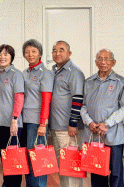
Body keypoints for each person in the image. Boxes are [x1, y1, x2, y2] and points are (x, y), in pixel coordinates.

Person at [80, 49, 124, 187]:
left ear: (113, 62)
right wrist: (89, 122)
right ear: (96, 62)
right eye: (100, 59)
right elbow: (83, 105)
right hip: (93, 134)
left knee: (115, 173)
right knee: (96, 171)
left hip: (112, 135)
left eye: (107, 59)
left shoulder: (121, 82)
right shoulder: (89, 82)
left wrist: (106, 124)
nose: (103, 62)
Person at [50, 40, 85, 187]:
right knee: (62, 167)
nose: (57, 53)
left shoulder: (74, 72)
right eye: (54, 50)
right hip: (55, 127)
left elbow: (78, 99)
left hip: (68, 129)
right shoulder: (52, 71)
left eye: (61, 50)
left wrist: (73, 123)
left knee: (71, 168)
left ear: (69, 53)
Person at [20, 39, 53, 187]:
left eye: (33, 51)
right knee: (27, 158)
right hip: (23, 121)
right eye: (27, 52)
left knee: (38, 159)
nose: (30, 54)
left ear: (40, 53)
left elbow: (46, 100)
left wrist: (43, 123)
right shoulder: (25, 72)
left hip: (36, 122)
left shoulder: (45, 73)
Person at [0, 44, 25, 187]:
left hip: (12, 124)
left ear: (11, 56)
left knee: (14, 160)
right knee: (4, 158)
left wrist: (14, 120)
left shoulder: (16, 74)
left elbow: (19, 97)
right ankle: (7, 184)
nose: (2, 57)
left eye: (6, 54)